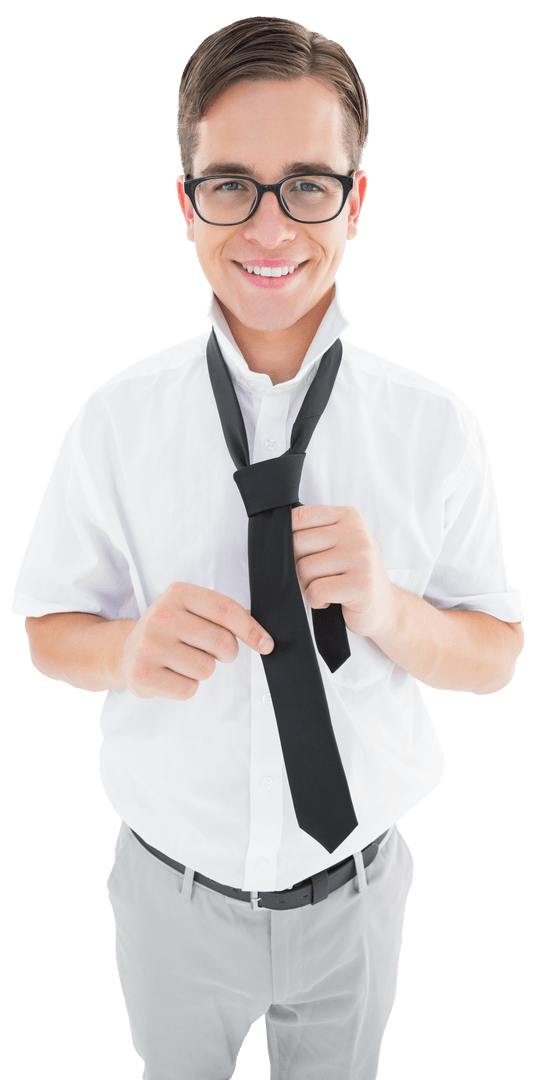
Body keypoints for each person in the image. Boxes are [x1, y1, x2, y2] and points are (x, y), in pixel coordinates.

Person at [12, 15, 524, 1080]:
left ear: (357, 200)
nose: (270, 224)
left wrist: (389, 610)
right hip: (171, 891)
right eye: (232, 184)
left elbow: (496, 654)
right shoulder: (117, 418)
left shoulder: (436, 428)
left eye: (307, 184)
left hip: (359, 888)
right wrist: (124, 652)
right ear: (186, 205)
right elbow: (49, 630)